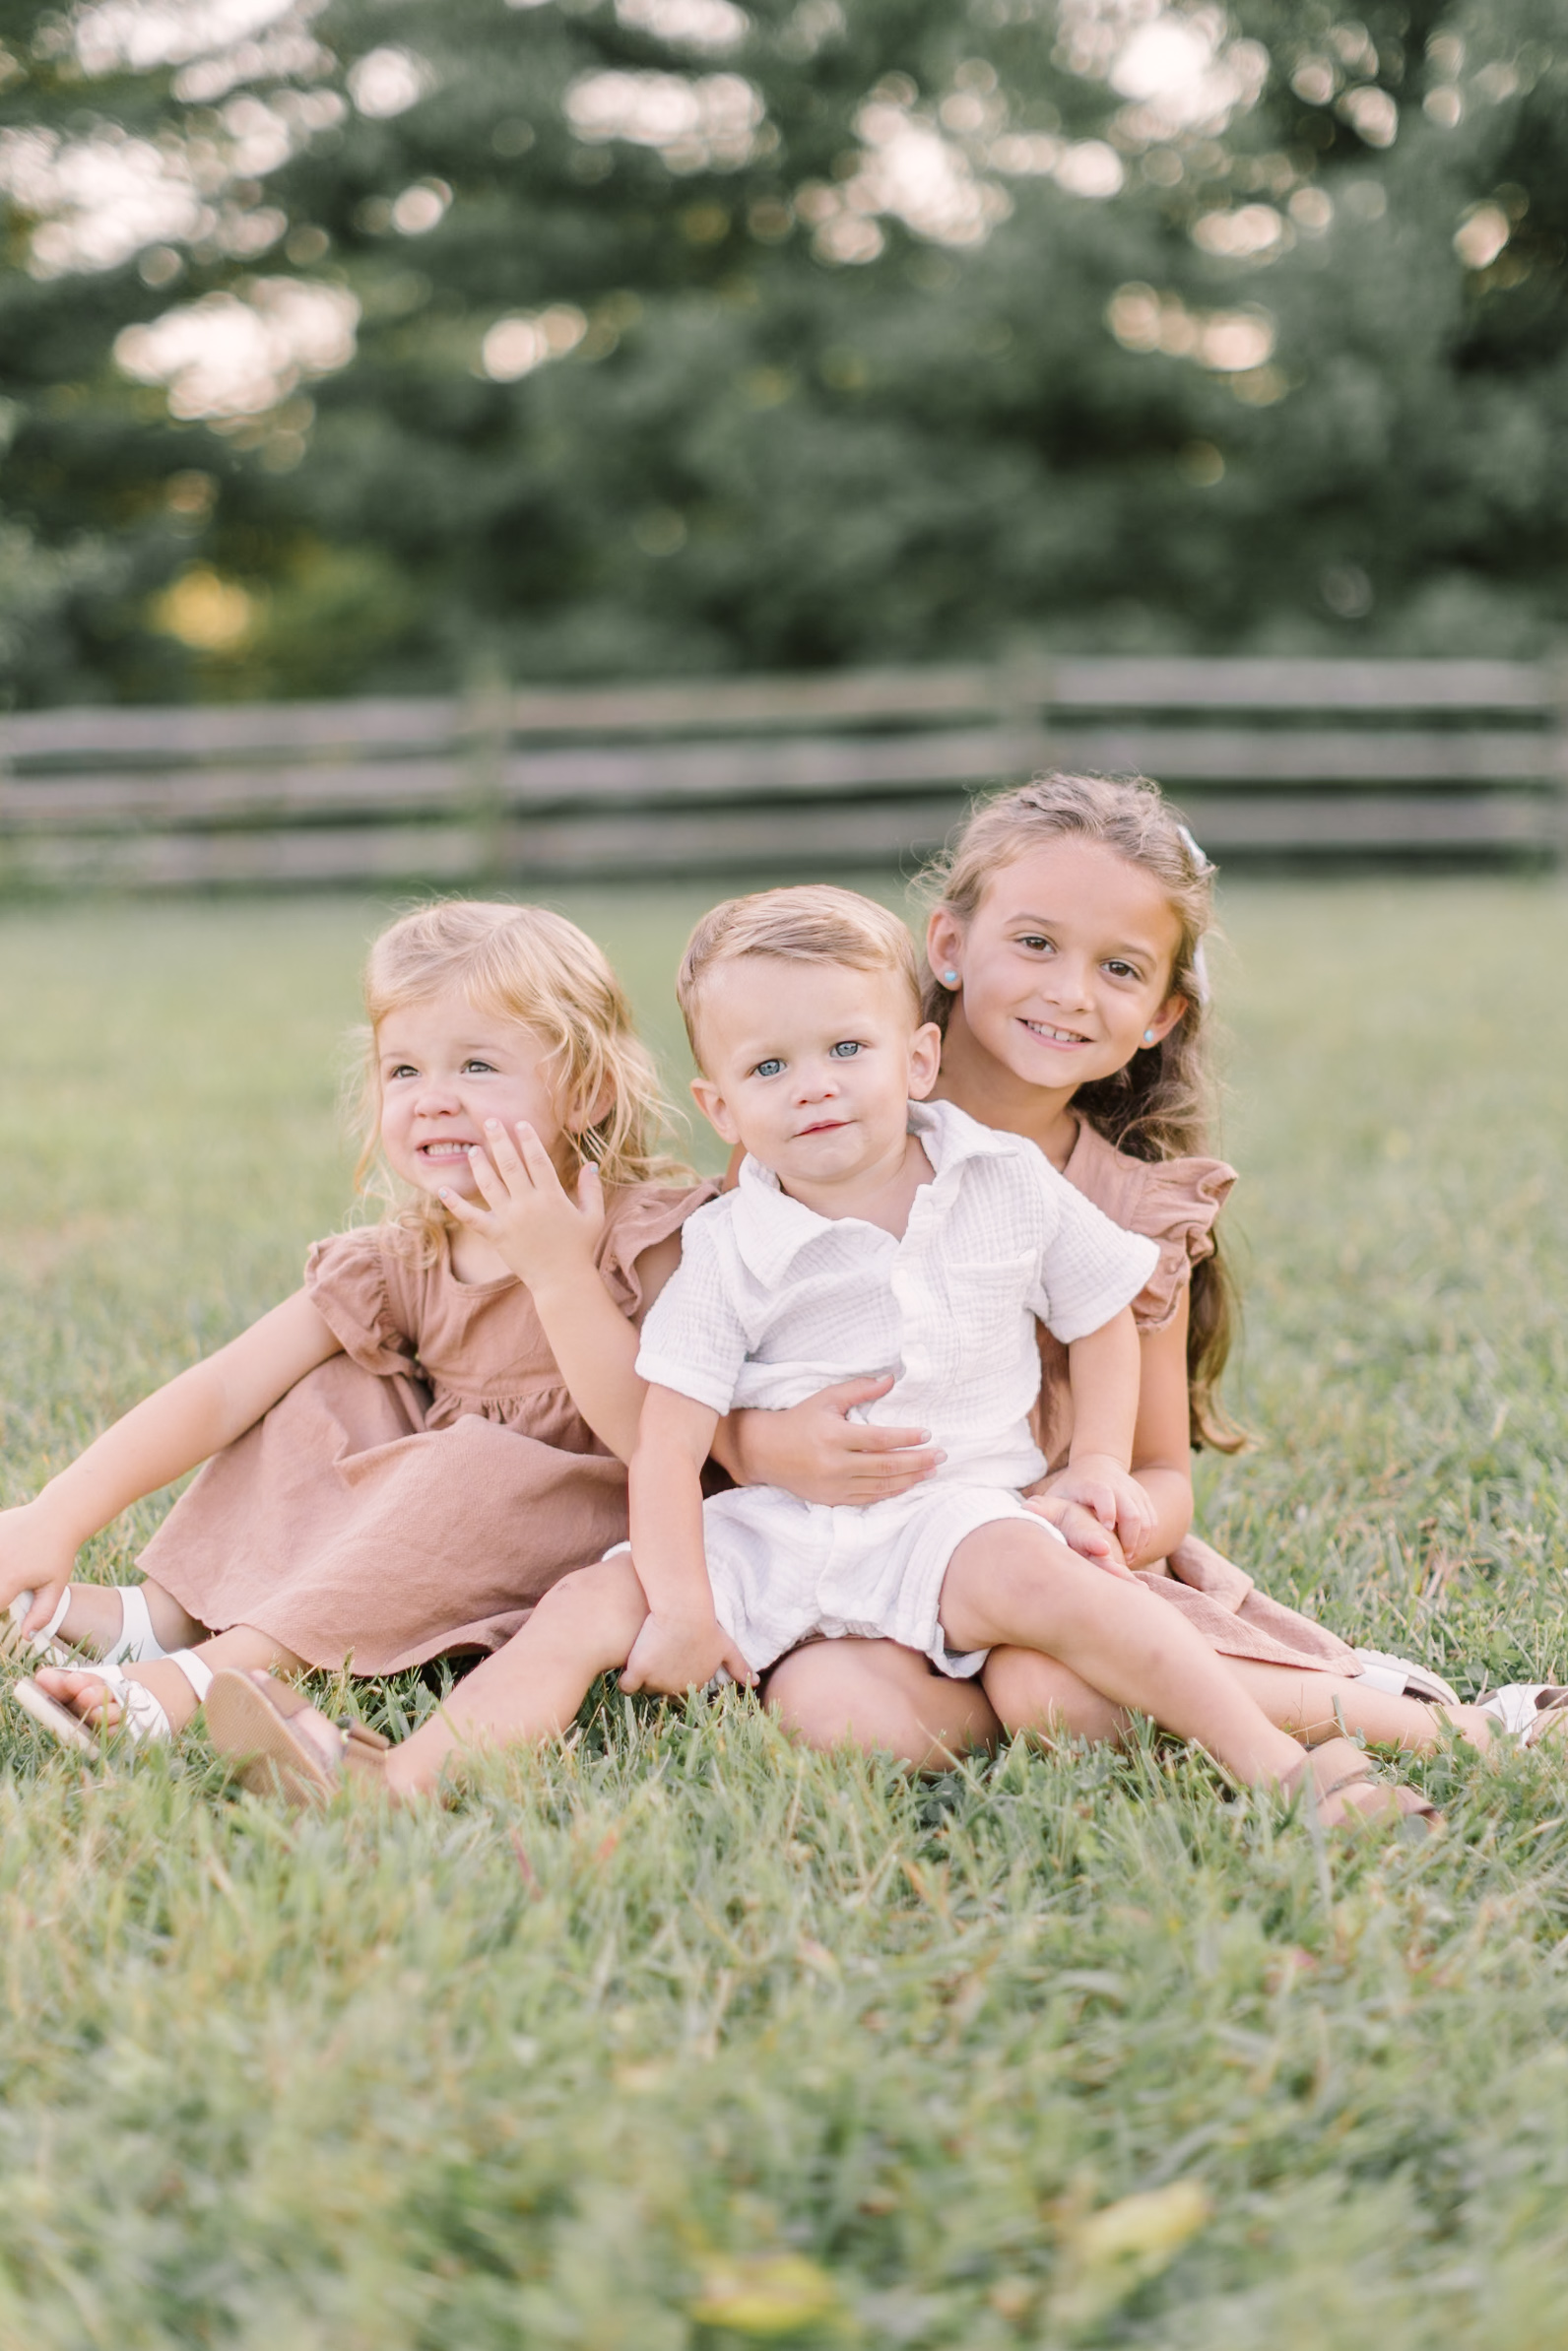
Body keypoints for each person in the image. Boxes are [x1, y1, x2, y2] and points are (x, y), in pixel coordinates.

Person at [205, 884, 1438, 1827]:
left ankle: (1291, 1770)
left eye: (845, 1051)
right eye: (768, 1068)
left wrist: (1095, 1463)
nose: (813, 1089)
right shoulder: (729, 1242)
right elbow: (670, 1447)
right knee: (587, 1604)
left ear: (913, 1058)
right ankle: (396, 1783)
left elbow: (1100, 1310)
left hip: (951, 1512)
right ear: (721, 1105)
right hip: (778, 1531)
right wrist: (680, 1605)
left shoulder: (997, 1178)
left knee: (1058, 1584)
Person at [722, 777, 1564, 1766]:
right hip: (852, 1561)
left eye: (1116, 968)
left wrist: (1100, 1507)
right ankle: (1147, 1695)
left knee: (1052, 1686)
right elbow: (705, 1363)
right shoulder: (823, 1120)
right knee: (835, 1717)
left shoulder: (1127, 1209)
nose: (1068, 990)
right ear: (947, 945)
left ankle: (1452, 1726)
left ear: (1159, 1014)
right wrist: (768, 1448)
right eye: (1033, 942)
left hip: (1055, 1567)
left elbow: (1161, 1472)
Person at [0, 899, 711, 1750]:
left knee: (472, 1462)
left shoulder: (648, 1241)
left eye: (478, 1066)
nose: (434, 1099)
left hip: (582, 1523)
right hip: (427, 1504)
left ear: (588, 1091)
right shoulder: (405, 1257)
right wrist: (57, 1513)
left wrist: (559, 1272)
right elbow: (226, 1387)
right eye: (404, 1070)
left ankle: (219, 1669)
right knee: (328, 1384)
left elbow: (660, 1444)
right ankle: (160, 1616)